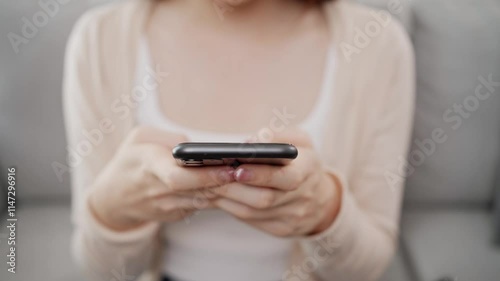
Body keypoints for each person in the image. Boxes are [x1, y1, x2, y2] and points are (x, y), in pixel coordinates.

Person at [63, 0, 415, 280]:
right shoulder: (100, 40)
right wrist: (114, 211)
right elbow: (100, 270)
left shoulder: (378, 44)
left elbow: (367, 270)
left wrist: (326, 212)